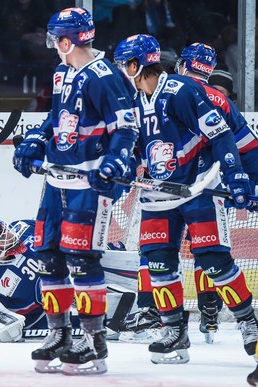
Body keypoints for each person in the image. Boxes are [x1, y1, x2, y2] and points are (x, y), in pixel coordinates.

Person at [113, 34, 258, 365]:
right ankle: (174, 332)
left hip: (199, 188)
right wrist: (118, 166)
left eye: (124, 66)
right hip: (158, 194)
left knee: (214, 262)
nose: (122, 72)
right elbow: (133, 146)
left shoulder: (182, 91)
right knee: (158, 263)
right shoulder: (133, 102)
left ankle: (249, 324)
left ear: (137, 65)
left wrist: (236, 175)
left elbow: (220, 134)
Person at [12, 7, 139, 375]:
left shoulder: (104, 77)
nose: (53, 45)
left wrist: (116, 161)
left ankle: (92, 339)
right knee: (48, 254)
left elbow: (126, 128)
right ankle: (59, 333)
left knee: (81, 260)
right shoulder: (62, 72)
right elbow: (55, 119)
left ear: (67, 40)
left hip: (88, 185)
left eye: (55, 39)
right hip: (56, 182)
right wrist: (34, 142)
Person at [0, 219, 137, 343]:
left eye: (8, 232)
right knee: (99, 321)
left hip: (67, 276)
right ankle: (137, 318)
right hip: (39, 315)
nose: (12, 236)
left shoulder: (23, 228)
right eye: (5, 238)